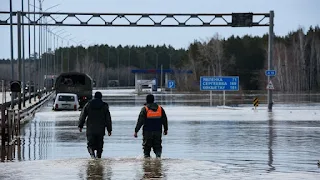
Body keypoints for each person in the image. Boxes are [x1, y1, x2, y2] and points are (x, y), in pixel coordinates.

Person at [78, 91, 112, 159]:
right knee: (100, 147)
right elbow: (108, 118)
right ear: (101, 97)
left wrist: (80, 125)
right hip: (100, 130)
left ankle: (92, 157)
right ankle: (98, 158)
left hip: (90, 130)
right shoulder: (104, 106)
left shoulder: (88, 104)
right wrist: (109, 130)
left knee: (90, 145)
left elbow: (83, 115)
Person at [134, 94, 168, 158]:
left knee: (146, 149)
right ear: (153, 100)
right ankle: (158, 160)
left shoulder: (145, 109)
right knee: (157, 147)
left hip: (147, 133)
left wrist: (136, 131)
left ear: (146, 100)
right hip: (158, 132)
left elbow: (140, 121)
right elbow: (164, 120)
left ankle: (146, 164)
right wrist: (165, 129)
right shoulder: (160, 109)